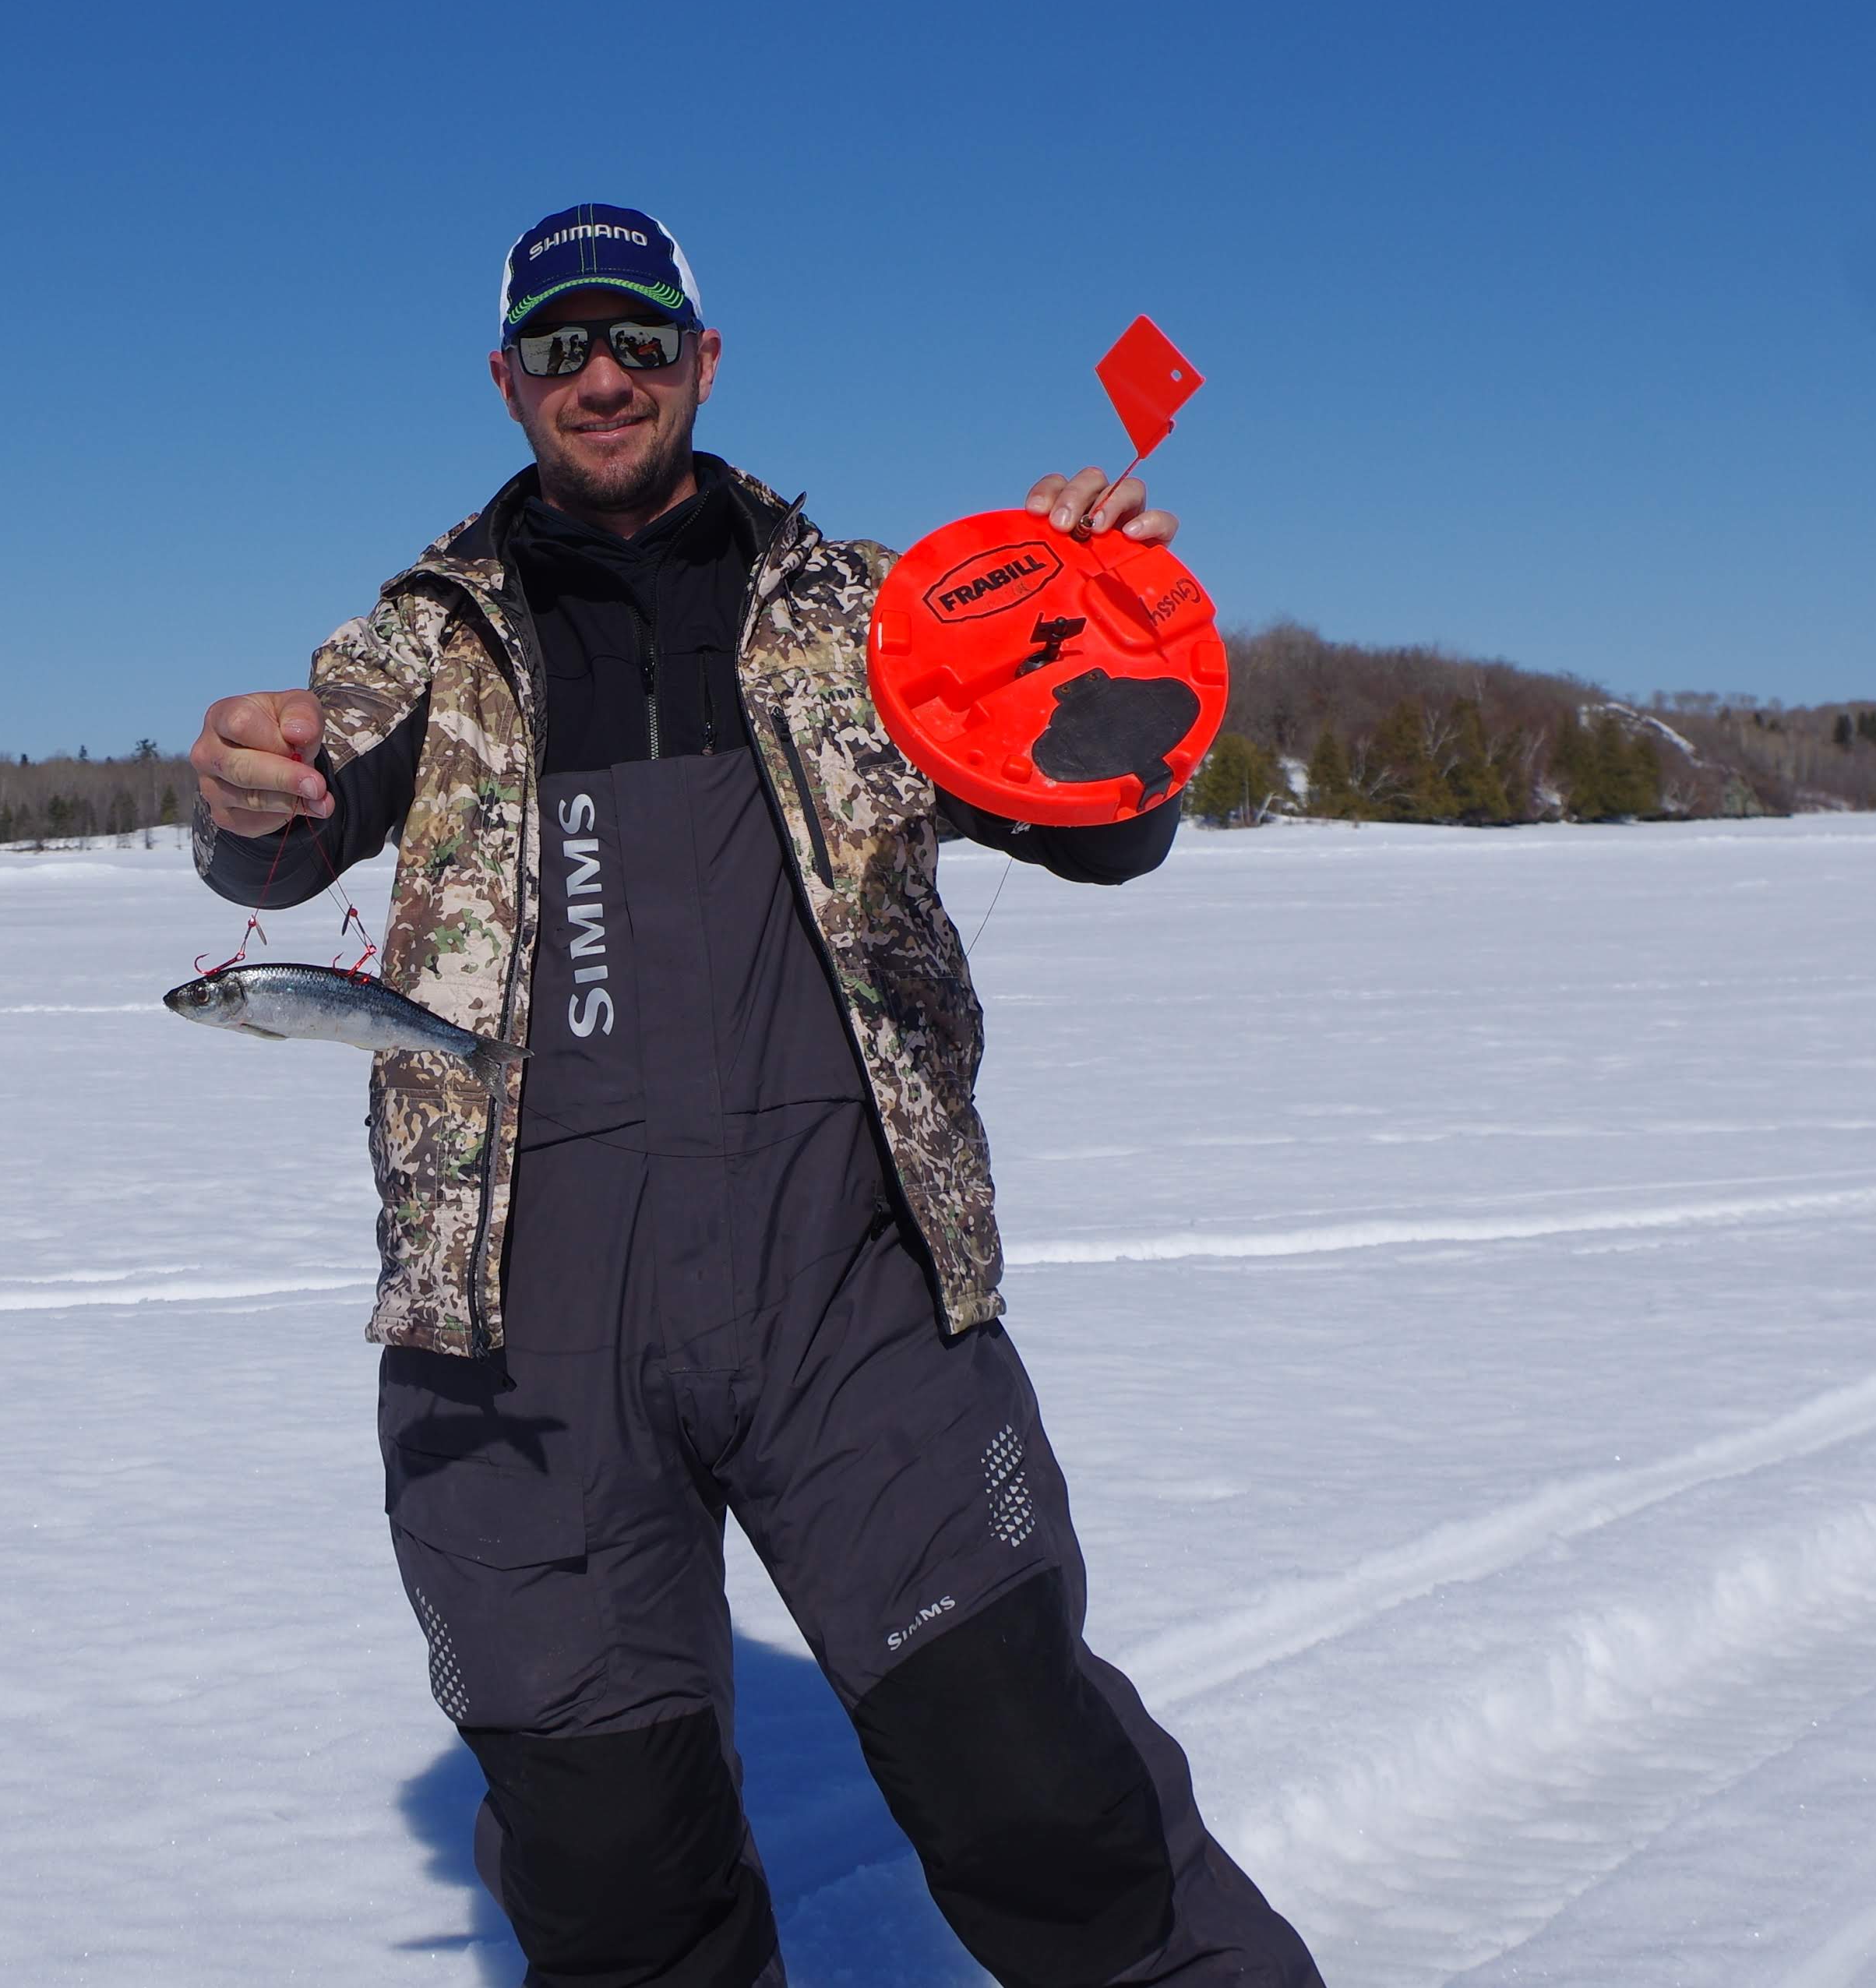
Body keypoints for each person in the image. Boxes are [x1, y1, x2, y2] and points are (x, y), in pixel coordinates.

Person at [189, 204, 1321, 1988]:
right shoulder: (414, 648)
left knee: (1041, 1799)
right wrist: (242, 789)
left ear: (705, 359)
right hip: (522, 1333)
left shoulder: (882, 613)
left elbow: (1104, 824)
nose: (603, 372)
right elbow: (270, 836)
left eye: (638, 333)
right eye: (559, 345)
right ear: (504, 381)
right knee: (615, 1889)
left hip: (843, 1289)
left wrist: (1099, 613)